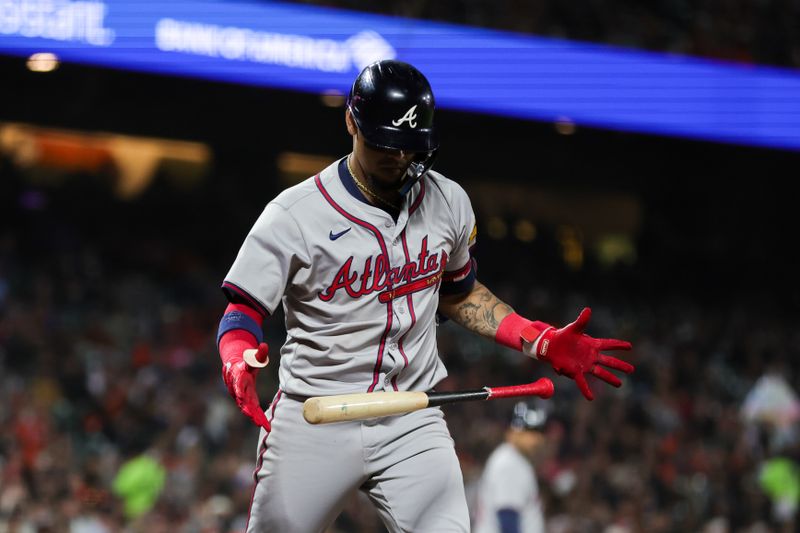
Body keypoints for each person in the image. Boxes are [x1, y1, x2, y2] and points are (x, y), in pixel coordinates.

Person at [216, 59, 635, 532]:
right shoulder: (293, 214)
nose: (398, 158)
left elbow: (458, 294)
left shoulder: (448, 201)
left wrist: (535, 337)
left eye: (409, 148)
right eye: (385, 145)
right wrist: (236, 355)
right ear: (351, 121)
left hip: (412, 416)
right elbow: (242, 310)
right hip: (317, 415)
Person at [473, 402, 554, 533]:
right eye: (531, 433)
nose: (538, 439)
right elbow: (507, 518)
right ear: (515, 432)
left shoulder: (512, 459)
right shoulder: (510, 463)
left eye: (538, 433)